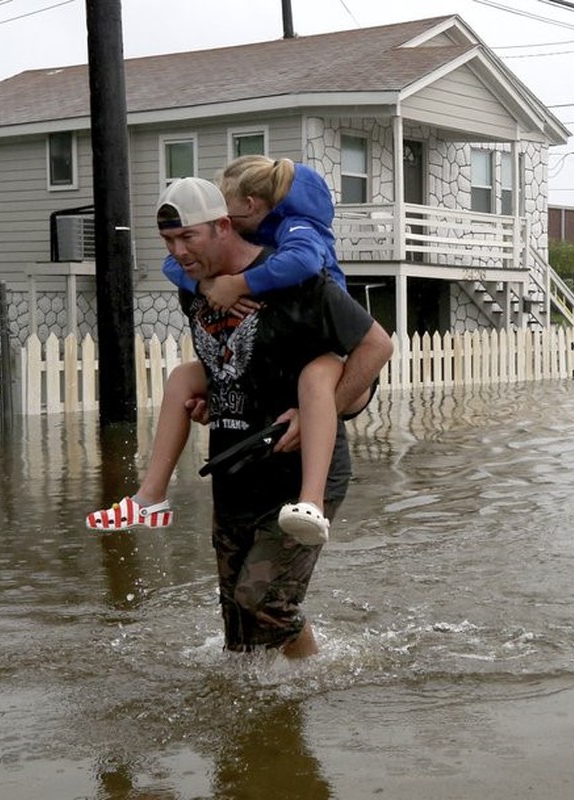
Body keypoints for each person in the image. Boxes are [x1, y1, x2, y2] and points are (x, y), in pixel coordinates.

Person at [154, 176, 392, 657]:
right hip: (235, 468)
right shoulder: (194, 287)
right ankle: (257, 720)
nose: (178, 252)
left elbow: (376, 347)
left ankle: (311, 681)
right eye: (169, 241)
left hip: (299, 470)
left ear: (224, 225)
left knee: (265, 601)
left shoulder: (299, 276)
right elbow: (233, 363)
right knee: (238, 630)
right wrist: (211, 402)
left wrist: (321, 408)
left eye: (187, 238)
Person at [86, 156, 350, 543]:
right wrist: (208, 287)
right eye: (170, 240)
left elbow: (307, 264)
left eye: (225, 205)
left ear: (248, 206)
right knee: (182, 377)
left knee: (315, 379)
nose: (178, 249)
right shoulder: (257, 238)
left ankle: (312, 501)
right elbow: (172, 267)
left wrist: (241, 284)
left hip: (331, 351)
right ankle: (151, 496)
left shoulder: (299, 232)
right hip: (249, 448)